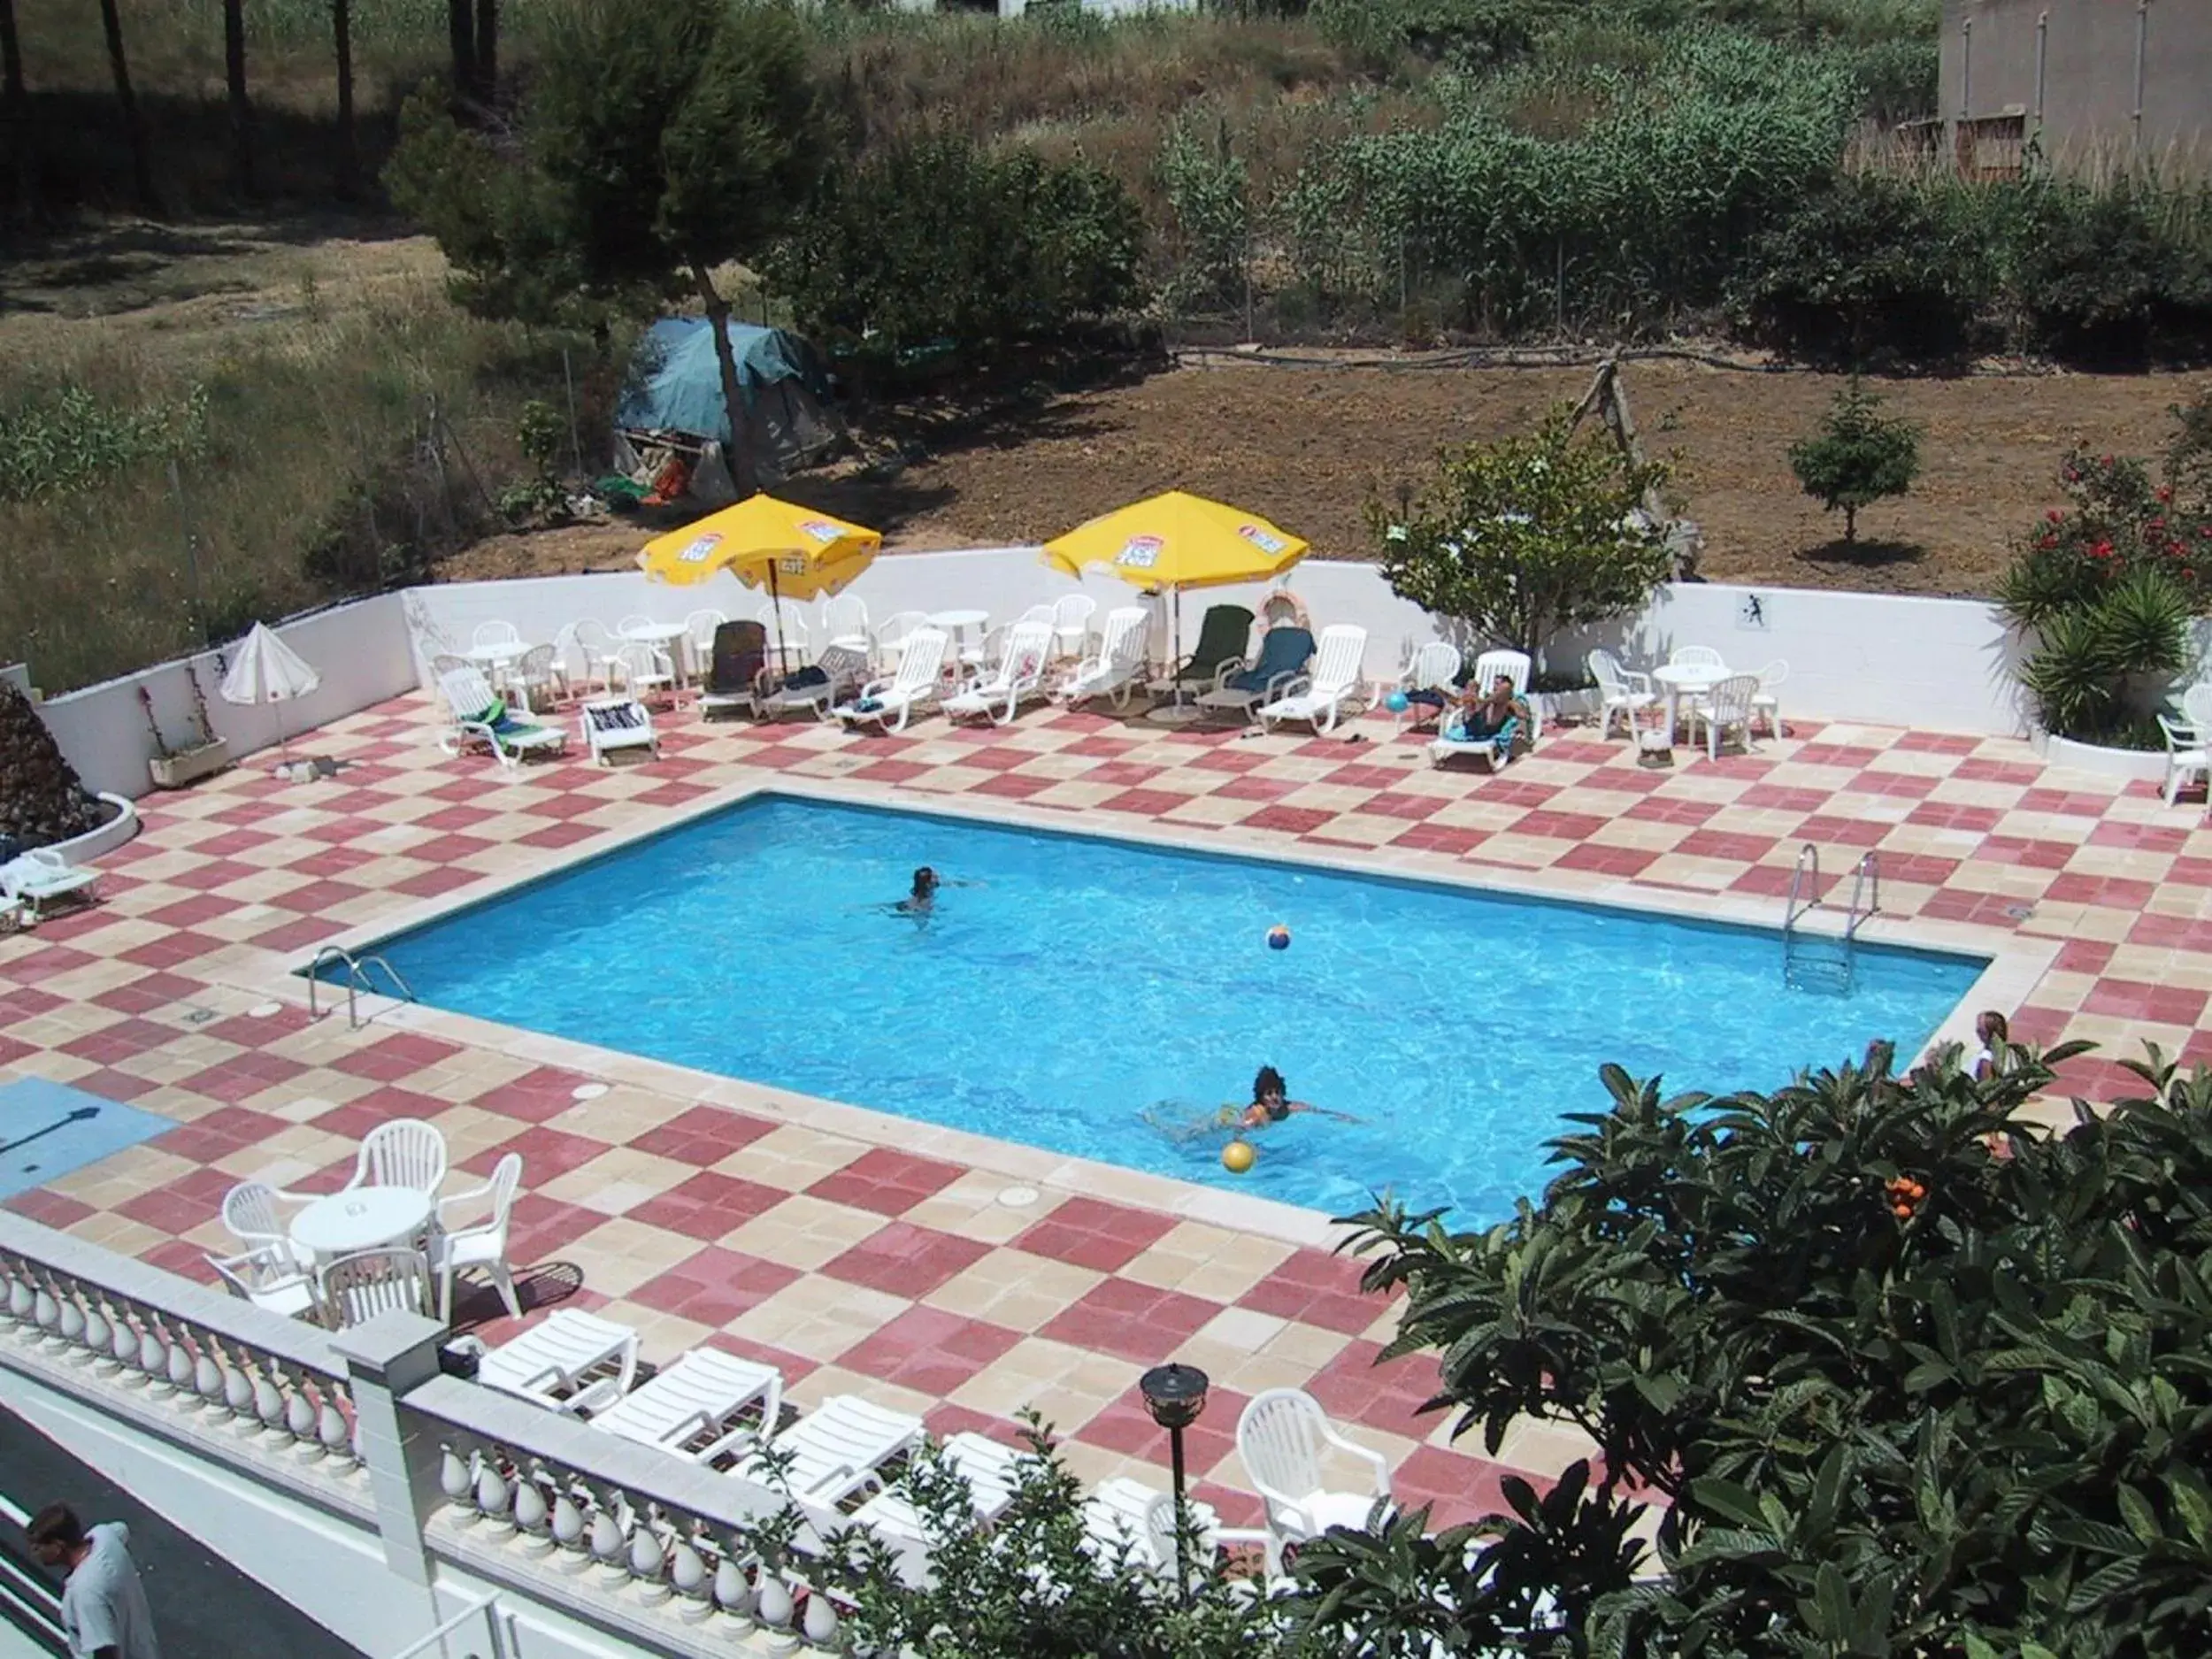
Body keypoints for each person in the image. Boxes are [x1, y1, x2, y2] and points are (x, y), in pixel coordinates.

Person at [28, 1504, 160, 1659]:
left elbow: (105, 1651)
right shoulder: (104, 1536)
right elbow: (121, 1529)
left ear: (58, 1546)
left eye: (37, 1548)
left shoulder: (86, 1593)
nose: (34, 1554)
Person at [1237, 1064, 1359, 1129]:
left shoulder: (1288, 1108)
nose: (1275, 1097)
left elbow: (1318, 1111)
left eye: (1277, 1092)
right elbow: (1237, 1131)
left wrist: (1343, 1117)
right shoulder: (1255, 1115)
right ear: (1261, 1097)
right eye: (1269, 1093)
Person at [1973, 1010, 2010, 1080]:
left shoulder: (1986, 1058)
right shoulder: (2008, 1051)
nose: (1976, 1031)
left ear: (1988, 1033)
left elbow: (1985, 1086)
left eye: (1979, 1030)